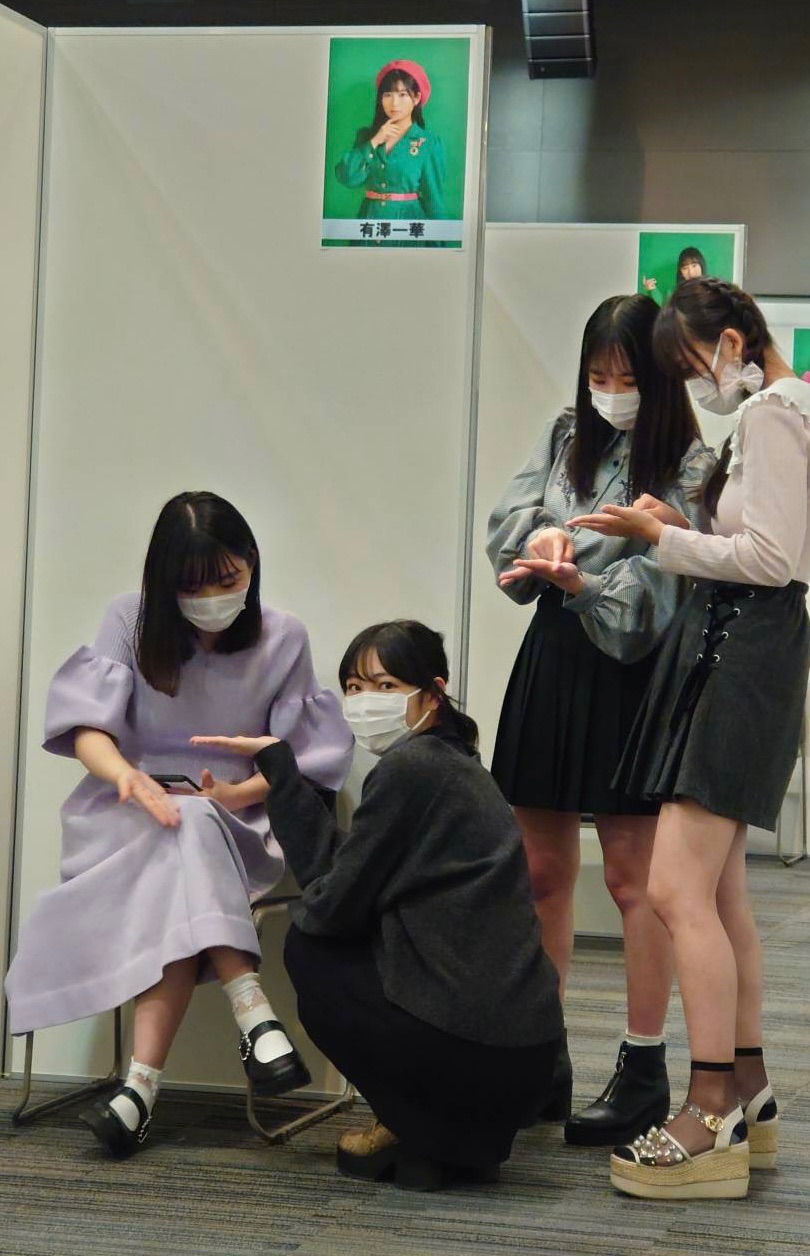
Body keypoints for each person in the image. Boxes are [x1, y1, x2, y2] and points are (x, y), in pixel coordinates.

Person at [5, 492, 353, 1157]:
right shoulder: (128, 620)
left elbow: (298, 760)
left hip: (238, 825)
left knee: (191, 827)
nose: (212, 599)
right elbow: (88, 729)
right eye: (192, 587)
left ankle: (139, 1090)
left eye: (226, 580)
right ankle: (253, 1015)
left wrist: (236, 792)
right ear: (164, 582)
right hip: (125, 818)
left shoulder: (284, 637)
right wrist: (125, 776)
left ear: (251, 563)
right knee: (183, 836)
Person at [569, 277, 810, 1199]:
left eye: (688, 366)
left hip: (741, 651)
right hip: (735, 647)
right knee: (719, 892)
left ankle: (710, 1114)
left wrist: (661, 540)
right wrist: (674, 525)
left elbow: (771, 560)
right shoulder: (770, 412)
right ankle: (748, 1090)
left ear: (733, 343)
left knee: (676, 889)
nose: (693, 386)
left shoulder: (775, 414)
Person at [193, 620, 564, 1191]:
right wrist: (281, 773)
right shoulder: (456, 764)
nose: (366, 702)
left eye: (385, 686)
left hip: (474, 1052)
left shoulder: (411, 769)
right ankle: (437, 1138)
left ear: (432, 694)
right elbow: (354, 872)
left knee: (309, 947)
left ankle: (413, 1122)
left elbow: (333, 904)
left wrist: (281, 771)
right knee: (350, 940)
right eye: (354, 688)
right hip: (524, 1057)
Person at [487, 293, 715, 1147]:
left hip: (631, 671)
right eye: (598, 375)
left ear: (661, 376)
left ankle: (643, 1064)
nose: (610, 392)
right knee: (540, 872)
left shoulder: (690, 465)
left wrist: (577, 575)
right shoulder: (562, 436)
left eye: (627, 377)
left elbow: (654, 598)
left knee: (633, 881)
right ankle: (541, 1059)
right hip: (552, 656)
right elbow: (507, 526)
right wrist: (542, 543)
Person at [335, 59, 446, 244]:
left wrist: (440, 247)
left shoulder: (428, 144)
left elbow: (433, 200)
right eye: (387, 94)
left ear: (416, 98)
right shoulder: (367, 137)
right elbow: (347, 177)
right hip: (369, 223)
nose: (394, 103)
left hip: (407, 228)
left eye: (402, 95)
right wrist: (375, 141)